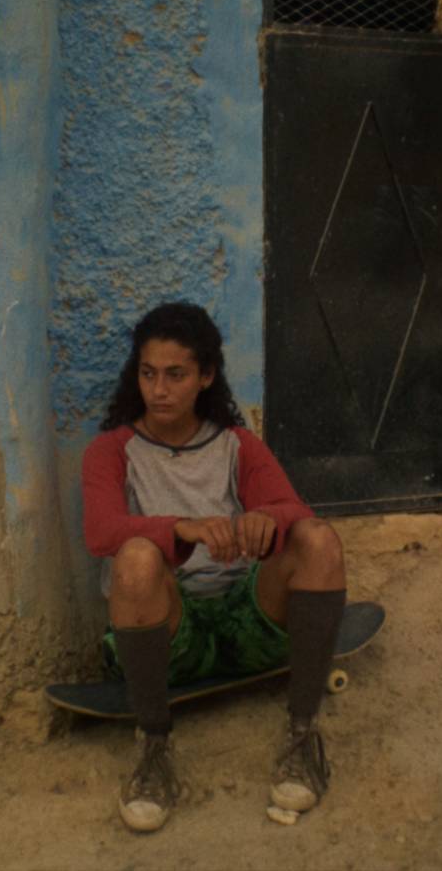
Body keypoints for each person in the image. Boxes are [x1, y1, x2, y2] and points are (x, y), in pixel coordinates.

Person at [82, 301, 347, 833]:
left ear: (205, 376)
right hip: (168, 642)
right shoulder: (111, 451)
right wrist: (180, 528)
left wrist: (265, 519)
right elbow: (100, 532)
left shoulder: (235, 445)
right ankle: (153, 748)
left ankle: (303, 737)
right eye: (148, 374)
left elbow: (295, 509)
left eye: (175, 375)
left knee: (317, 539)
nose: (159, 390)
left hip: (248, 625)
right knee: (135, 556)